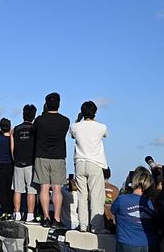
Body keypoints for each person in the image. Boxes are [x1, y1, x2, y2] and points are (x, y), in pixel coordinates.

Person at [33, 92, 70, 229]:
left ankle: (46, 217)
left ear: (46, 105)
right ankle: (56, 218)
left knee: (43, 188)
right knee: (57, 189)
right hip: (58, 156)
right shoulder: (65, 121)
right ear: (59, 104)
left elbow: (34, 131)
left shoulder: (39, 120)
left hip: (42, 155)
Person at [71, 100, 109, 233]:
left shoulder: (75, 126)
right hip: (95, 163)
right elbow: (105, 135)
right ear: (95, 112)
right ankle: (96, 227)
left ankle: (83, 225)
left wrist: (78, 119)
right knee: (96, 196)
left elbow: (72, 134)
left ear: (82, 112)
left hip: (80, 162)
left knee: (82, 195)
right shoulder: (101, 127)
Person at [111, 167, 159, 252]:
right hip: (149, 244)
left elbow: (113, 211)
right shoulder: (149, 203)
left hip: (127, 243)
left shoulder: (122, 199)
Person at [12, 104, 38, 223]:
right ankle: (30, 215)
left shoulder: (15, 129)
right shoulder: (34, 129)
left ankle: (17, 214)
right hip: (31, 163)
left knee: (18, 190)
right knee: (31, 190)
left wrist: (15, 159)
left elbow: (12, 148)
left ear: (23, 114)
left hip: (18, 162)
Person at [0, 117, 14, 220]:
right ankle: (11, 210)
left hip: (1, 165)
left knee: (2, 189)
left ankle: (4, 211)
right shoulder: (11, 139)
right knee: (10, 188)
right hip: (11, 165)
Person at [103, 168, 120, 233]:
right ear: (110, 175)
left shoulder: (97, 188)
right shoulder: (115, 189)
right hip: (112, 221)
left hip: (100, 221)